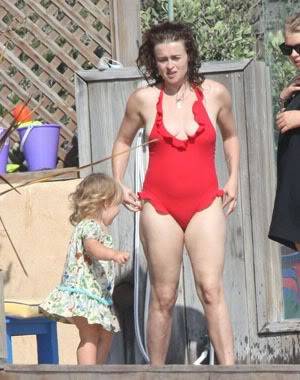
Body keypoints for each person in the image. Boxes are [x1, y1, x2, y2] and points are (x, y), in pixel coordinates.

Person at [112, 22, 239, 365]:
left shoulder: (215, 94)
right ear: (153, 62)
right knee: (164, 296)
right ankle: (155, 372)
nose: (170, 66)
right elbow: (123, 141)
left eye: (176, 58)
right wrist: (118, 183)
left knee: (211, 289)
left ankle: (232, 371)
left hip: (205, 203)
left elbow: (230, 136)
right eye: (162, 59)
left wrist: (234, 178)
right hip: (159, 206)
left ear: (189, 57)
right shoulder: (143, 99)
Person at [39, 173, 129, 365]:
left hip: (95, 295)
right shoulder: (90, 226)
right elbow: (92, 247)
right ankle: (87, 374)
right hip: (84, 294)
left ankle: (97, 371)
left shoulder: (92, 226)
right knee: (90, 336)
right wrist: (113, 254)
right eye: (116, 205)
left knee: (106, 333)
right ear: (105, 203)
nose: (118, 211)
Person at [269, 13, 300, 252]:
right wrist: (284, 100)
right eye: (288, 49)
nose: (294, 55)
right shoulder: (296, 84)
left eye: (299, 47)